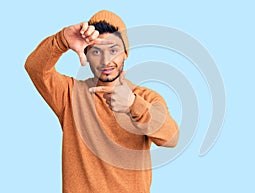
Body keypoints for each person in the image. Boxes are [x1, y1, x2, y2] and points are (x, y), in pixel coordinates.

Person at [25, 10, 179, 193]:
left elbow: (171, 138)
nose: (106, 61)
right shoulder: (70, 94)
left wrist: (132, 104)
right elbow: (35, 68)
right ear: (87, 54)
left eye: (113, 50)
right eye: (96, 51)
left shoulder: (145, 97)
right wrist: (61, 40)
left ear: (125, 54)